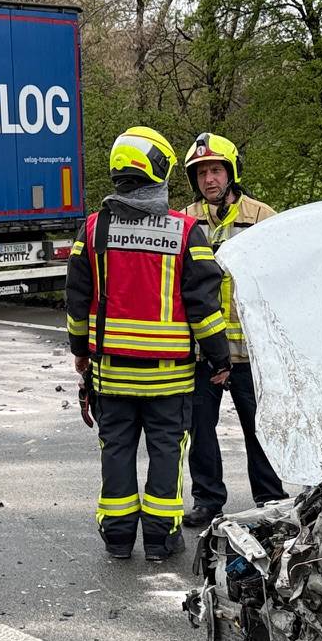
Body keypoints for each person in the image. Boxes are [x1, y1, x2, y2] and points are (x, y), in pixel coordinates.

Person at [64, 127, 230, 561]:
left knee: (115, 452)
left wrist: (80, 355)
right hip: (169, 378)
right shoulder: (186, 232)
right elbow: (205, 310)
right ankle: (160, 540)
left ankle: (118, 539)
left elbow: (76, 304)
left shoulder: (93, 231)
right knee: (166, 455)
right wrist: (219, 358)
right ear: (159, 171)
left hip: (112, 373)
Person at [177, 133, 287, 529]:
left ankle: (270, 498)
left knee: (260, 428)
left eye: (216, 170)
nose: (209, 179)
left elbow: (280, 282)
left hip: (250, 352)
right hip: (203, 351)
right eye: (202, 172)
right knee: (200, 431)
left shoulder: (262, 218)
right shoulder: (183, 221)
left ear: (231, 173)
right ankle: (208, 500)